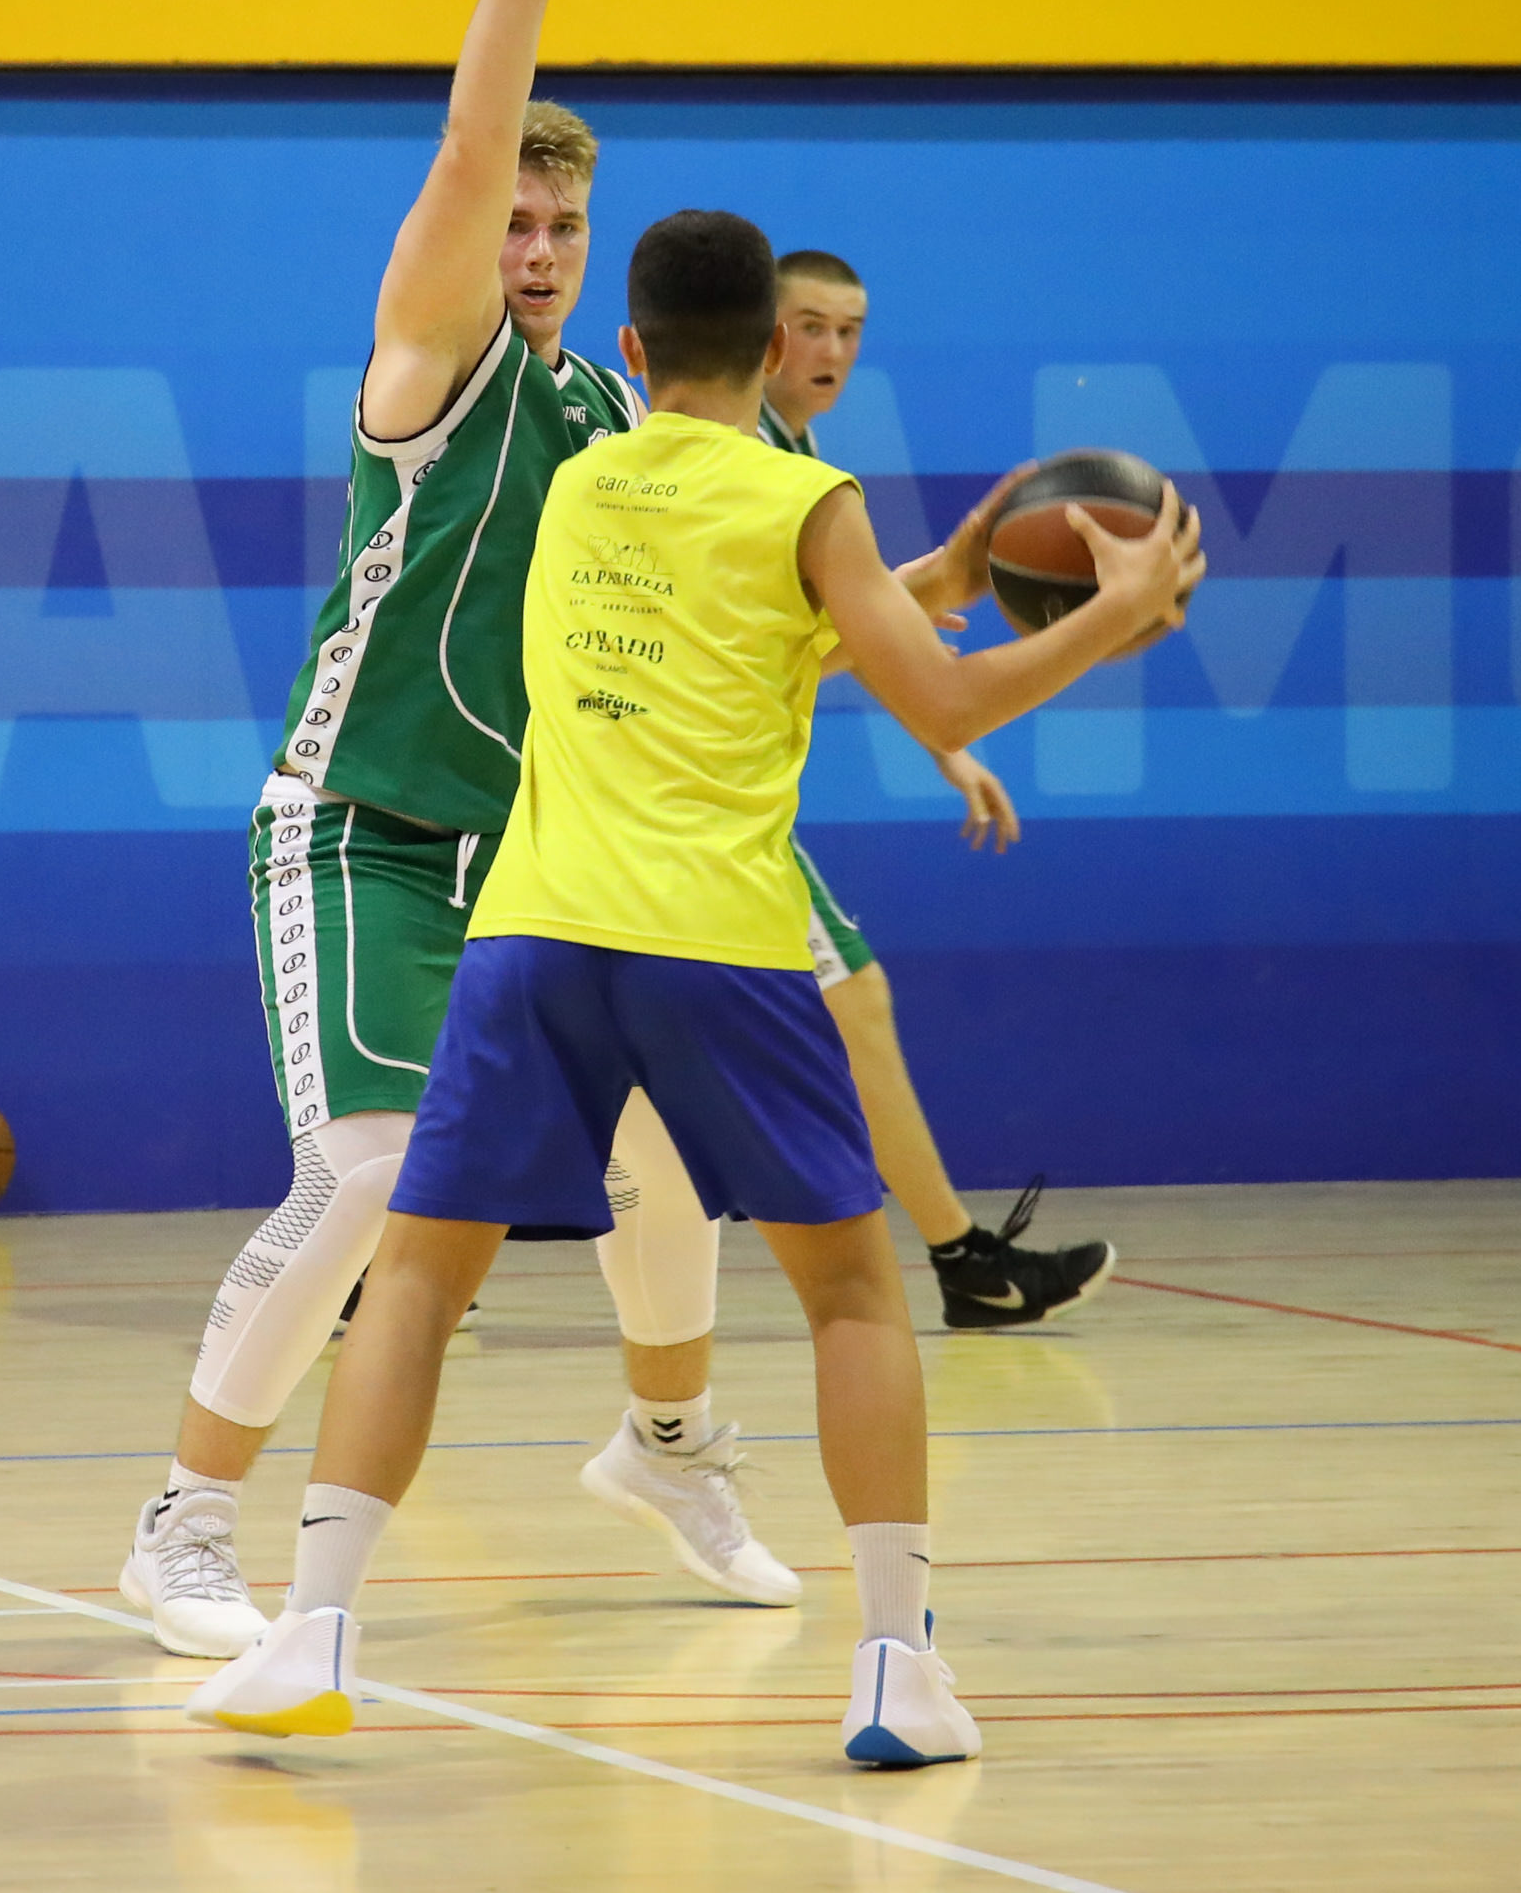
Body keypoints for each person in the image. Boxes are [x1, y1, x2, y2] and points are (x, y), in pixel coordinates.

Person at [187, 207, 1202, 1767]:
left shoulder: (574, 482)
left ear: (634, 347)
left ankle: (311, 1629)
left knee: (419, 1282)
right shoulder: (808, 502)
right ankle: (896, 1668)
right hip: (716, 938)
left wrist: (914, 580)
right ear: (774, 345)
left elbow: (731, 631)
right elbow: (940, 696)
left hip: (532, 933)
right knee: (853, 1291)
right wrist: (1116, 615)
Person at [126, 0, 811, 1662]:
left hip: (532, 860)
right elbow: (461, 149)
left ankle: (668, 1447)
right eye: (512, 215)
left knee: (670, 1147)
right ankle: (185, 1518)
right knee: (366, 1176)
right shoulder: (432, 362)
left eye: (562, 220)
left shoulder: (615, 418)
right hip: (358, 828)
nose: (535, 242)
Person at [756, 249, 1117, 1329]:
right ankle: (962, 1262)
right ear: (761, 333)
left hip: (680, 795)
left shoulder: (793, 457)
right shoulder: (754, 461)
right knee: (848, 1003)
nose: (830, 350)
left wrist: (941, 740)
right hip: (700, 800)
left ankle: (396, 1245)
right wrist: (928, 622)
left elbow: (811, 640)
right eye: (809, 325)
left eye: (849, 330)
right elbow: (782, 652)